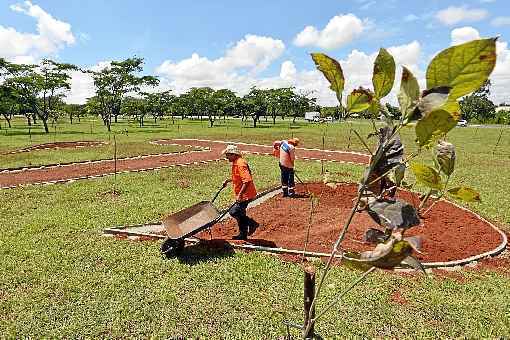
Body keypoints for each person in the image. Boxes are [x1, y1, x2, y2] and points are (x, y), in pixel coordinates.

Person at [221, 144, 259, 240]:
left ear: (233, 154)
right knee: (240, 213)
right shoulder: (236, 162)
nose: (226, 157)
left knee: (234, 211)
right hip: (243, 194)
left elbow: (247, 180)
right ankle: (243, 234)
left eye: (227, 155)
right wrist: (228, 180)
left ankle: (252, 224)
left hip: (246, 194)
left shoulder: (240, 164)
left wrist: (240, 195)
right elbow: (239, 178)